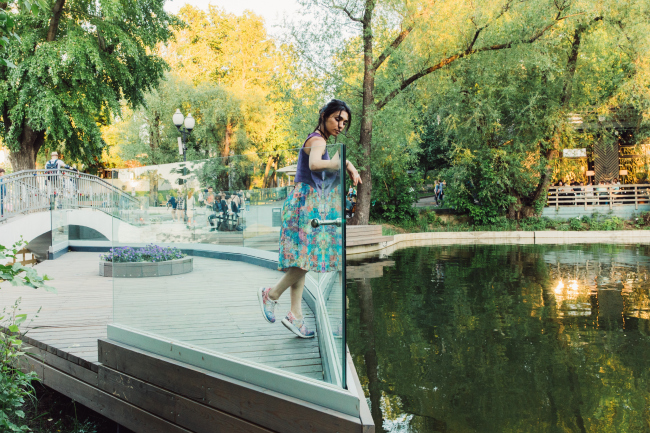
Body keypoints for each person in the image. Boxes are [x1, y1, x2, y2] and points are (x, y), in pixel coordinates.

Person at [258, 99, 361, 338]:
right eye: (337, 118)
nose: (341, 125)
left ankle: (296, 316)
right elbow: (315, 164)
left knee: (301, 260)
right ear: (324, 115)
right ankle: (271, 294)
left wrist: (347, 165)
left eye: (344, 122)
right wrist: (342, 162)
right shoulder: (318, 140)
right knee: (310, 260)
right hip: (305, 204)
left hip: (303, 202)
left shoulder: (317, 139)